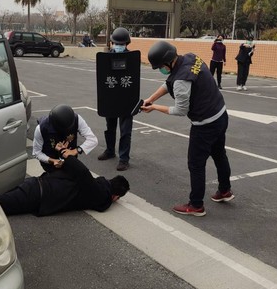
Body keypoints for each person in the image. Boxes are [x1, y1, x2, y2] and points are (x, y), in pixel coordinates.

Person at [141, 41, 233, 217]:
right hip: (221, 115)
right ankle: (225, 191)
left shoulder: (181, 81)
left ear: (167, 62)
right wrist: (151, 98)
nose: (161, 69)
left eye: (160, 66)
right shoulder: (190, 58)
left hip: (205, 125)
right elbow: (169, 83)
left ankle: (196, 205)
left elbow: (180, 110)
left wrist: (154, 108)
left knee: (196, 164)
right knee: (219, 154)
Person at [0, 154, 130, 216]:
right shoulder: (100, 190)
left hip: (41, 192)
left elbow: (83, 173)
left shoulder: (101, 194)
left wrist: (68, 155)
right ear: (116, 196)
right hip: (41, 188)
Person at [97, 27, 134, 171]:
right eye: (117, 43)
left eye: (122, 43)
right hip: (111, 98)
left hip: (126, 100)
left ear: (127, 43)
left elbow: (133, 81)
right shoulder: (105, 58)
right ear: (112, 43)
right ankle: (110, 151)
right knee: (110, 127)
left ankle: (124, 159)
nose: (119, 46)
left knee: (125, 131)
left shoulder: (131, 59)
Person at [33, 104, 98, 173]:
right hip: (50, 163)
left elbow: (93, 140)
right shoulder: (41, 128)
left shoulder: (76, 119)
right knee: (57, 181)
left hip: (70, 161)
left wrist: (75, 151)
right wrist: (53, 161)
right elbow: (37, 152)